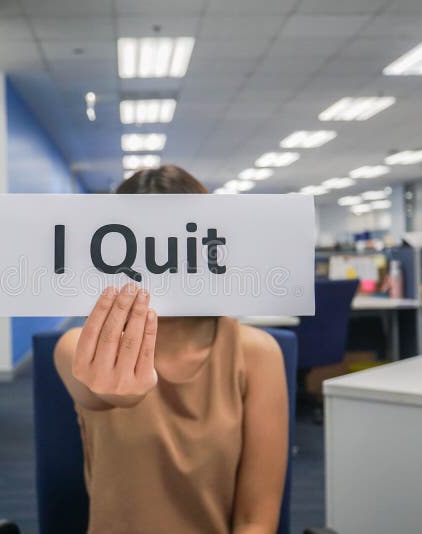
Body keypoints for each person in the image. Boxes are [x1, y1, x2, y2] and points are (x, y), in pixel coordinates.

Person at [54, 165, 289, 534]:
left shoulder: (258, 354)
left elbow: (256, 519)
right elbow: (95, 391)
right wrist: (113, 392)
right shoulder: (80, 348)